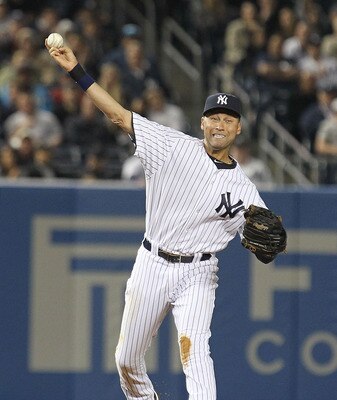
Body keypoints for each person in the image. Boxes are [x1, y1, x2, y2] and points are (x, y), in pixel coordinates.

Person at [46, 40, 280, 400]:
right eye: (214, 117)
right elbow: (119, 116)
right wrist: (76, 71)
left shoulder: (245, 190)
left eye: (228, 119)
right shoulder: (171, 145)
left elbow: (267, 240)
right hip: (152, 263)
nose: (220, 124)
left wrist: (272, 246)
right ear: (202, 122)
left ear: (239, 129)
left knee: (196, 353)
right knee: (126, 359)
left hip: (199, 274)